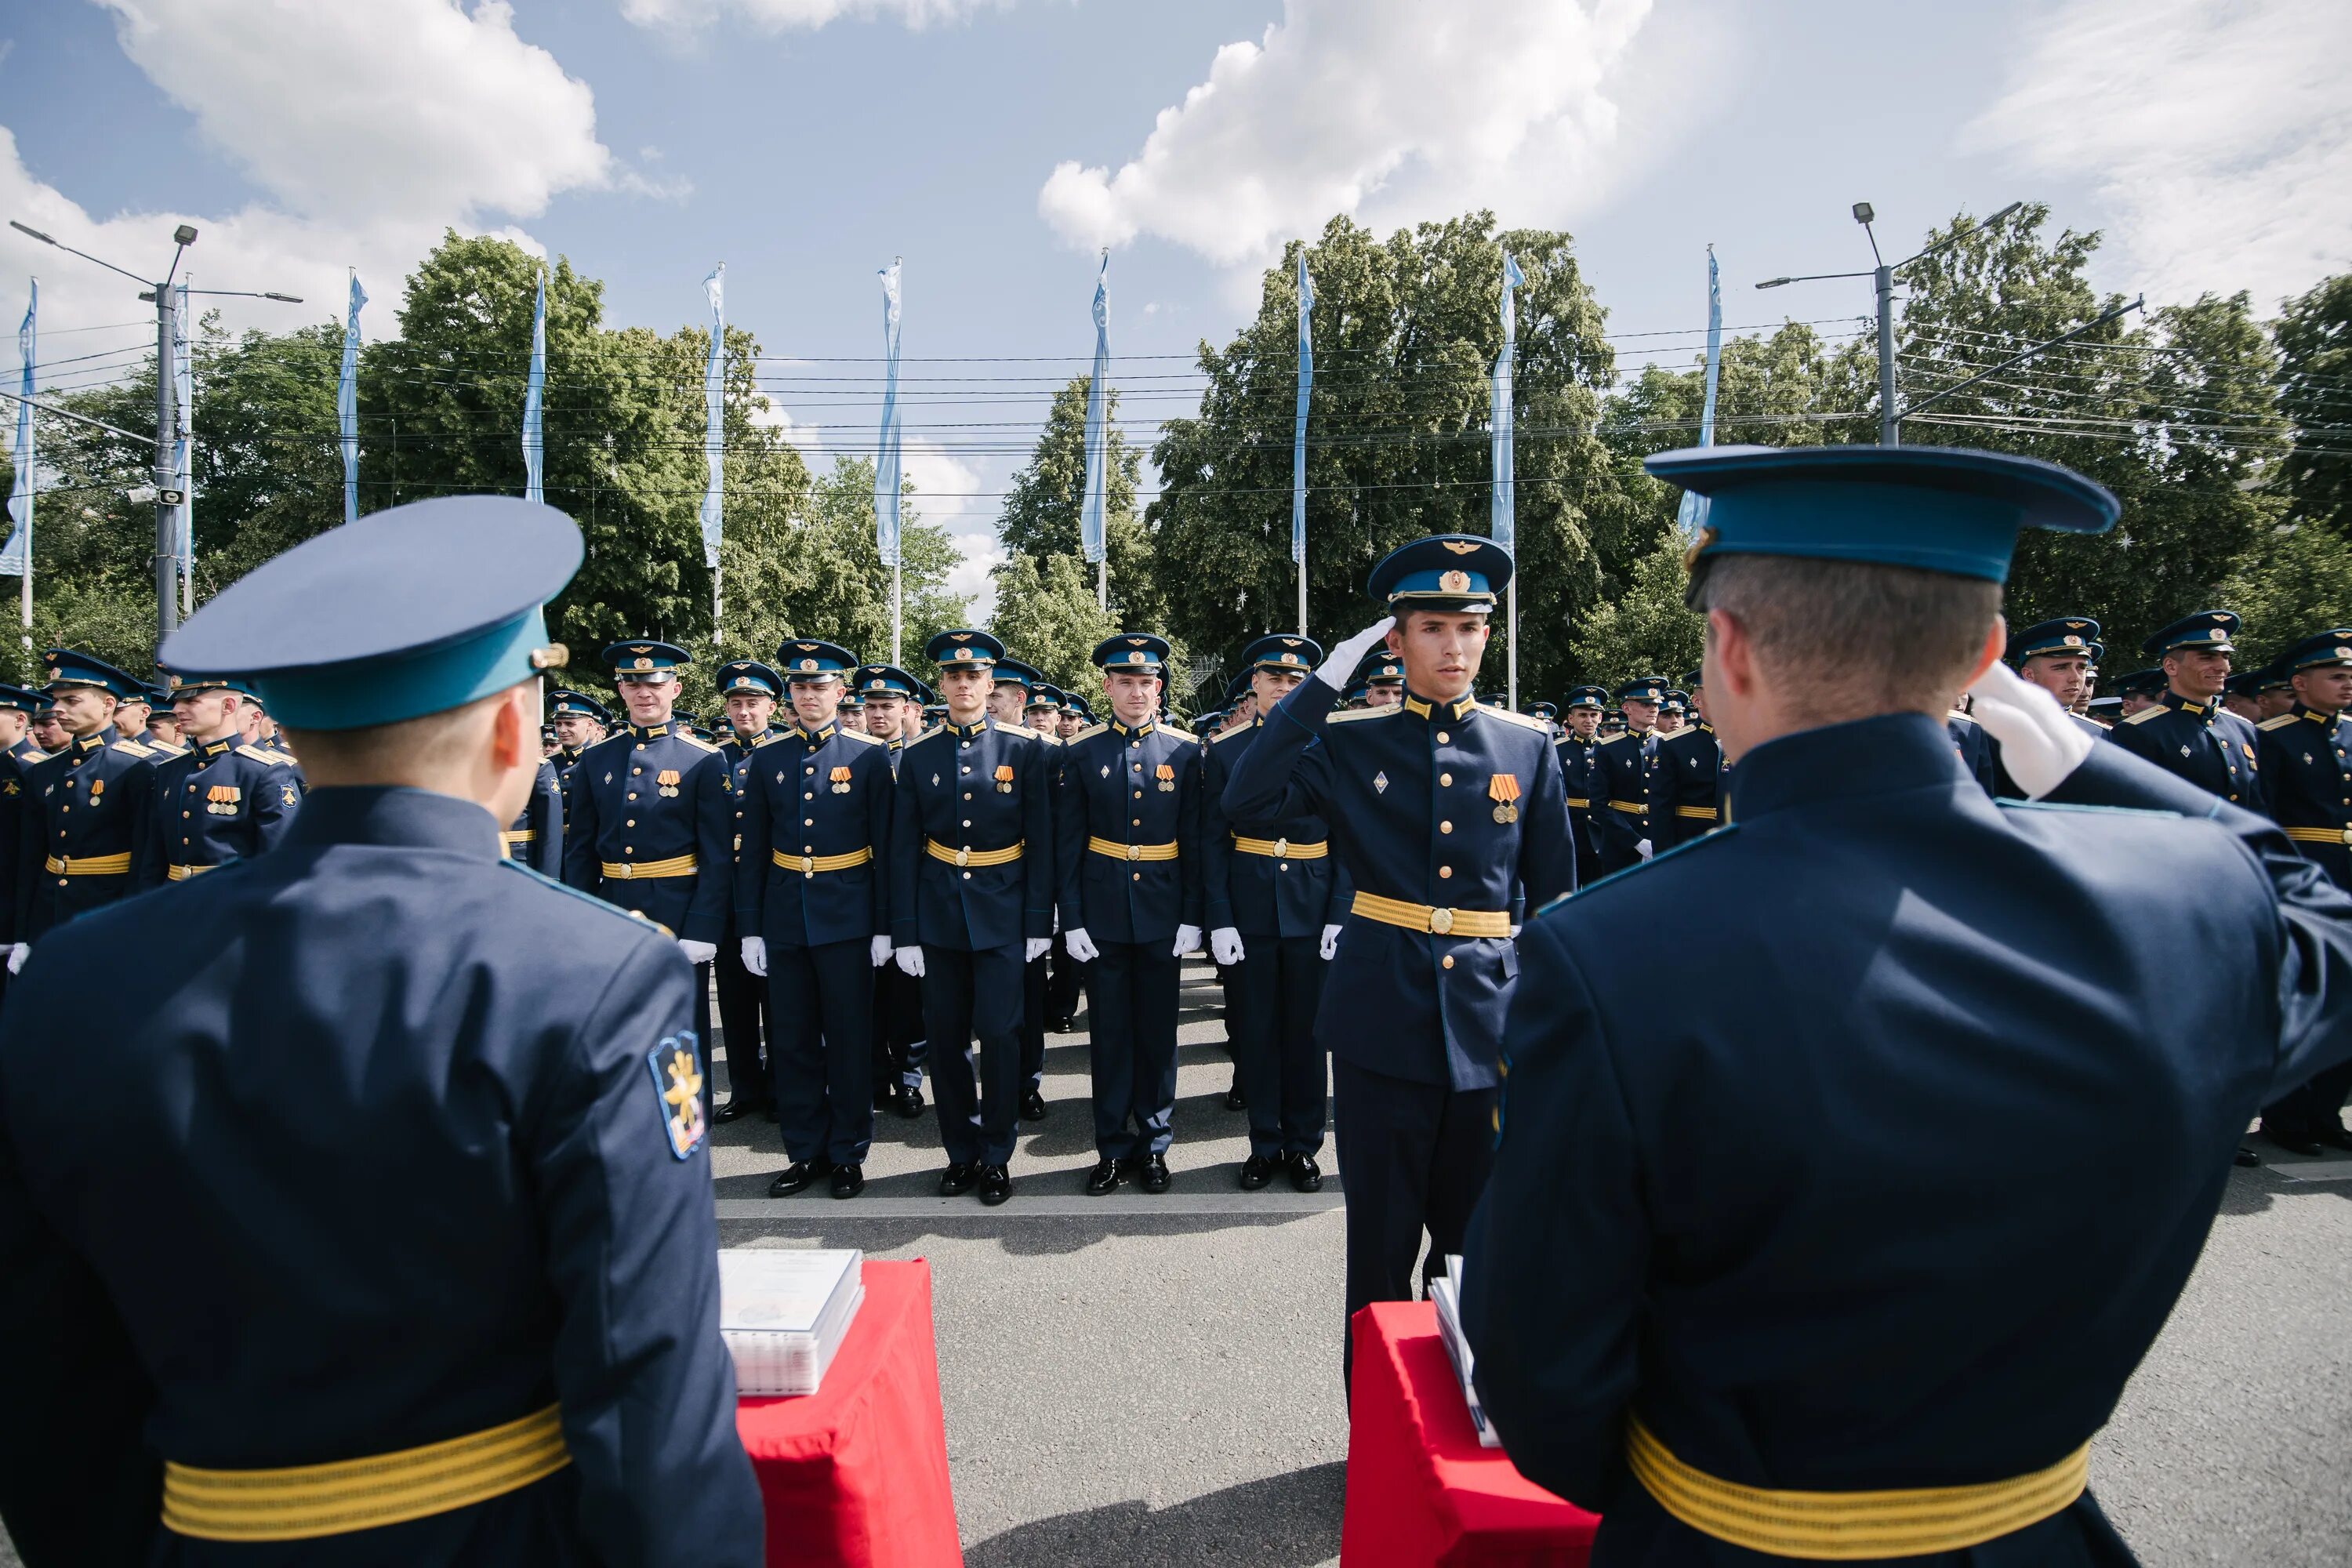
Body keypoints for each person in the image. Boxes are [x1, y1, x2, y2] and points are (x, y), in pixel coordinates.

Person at [1462, 442, 2352, 1566]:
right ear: (1987, 657)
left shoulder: (1609, 956)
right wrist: (2083, 760)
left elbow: (1540, 1364)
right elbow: (2313, 902)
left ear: (1726, 647)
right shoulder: (2192, 906)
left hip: (1733, 1537)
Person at [0, 495, 760, 1567]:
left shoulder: (72, 980)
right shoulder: (588, 974)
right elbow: (650, 1402)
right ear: (513, 726)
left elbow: (48, 1391)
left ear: (290, 727)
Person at [1224, 535, 1573, 1382]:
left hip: (1489, 1028)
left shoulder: (1526, 747)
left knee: (1474, 1250)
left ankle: (1465, 1430)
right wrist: (1316, 689)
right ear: (1396, 640)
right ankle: (1381, 1439)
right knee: (1379, 1258)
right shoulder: (1350, 740)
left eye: (1470, 627)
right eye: (1432, 627)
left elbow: (1557, 903)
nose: (1455, 646)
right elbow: (1246, 796)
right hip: (1383, 1020)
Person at [889, 630, 1053, 1206]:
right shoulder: (920, 754)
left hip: (1005, 911)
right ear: (941, 684)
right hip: (938, 916)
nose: (964, 684)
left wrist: (1038, 922)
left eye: (974, 676)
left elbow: (1043, 843)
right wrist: (904, 930)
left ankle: (998, 1154)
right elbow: (904, 846)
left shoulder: (1024, 749)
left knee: (1002, 1037)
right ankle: (961, 1152)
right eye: (954, 676)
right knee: (947, 1040)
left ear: (991, 684)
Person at [736, 641, 894, 1200]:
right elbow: (752, 850)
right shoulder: (769, 759)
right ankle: (805, 1152)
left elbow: (887, 849)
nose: (809, 696)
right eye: (800, 688)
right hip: (784, 917)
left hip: (849, 916)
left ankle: (849, 1153)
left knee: (849, 1042)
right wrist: (751, 927)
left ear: (839, 693)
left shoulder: (868, 756)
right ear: (790, 696)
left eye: (820, 687)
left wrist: (884, 926)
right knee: (794, 1042)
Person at [561, 639, 731, 1115]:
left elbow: (716, 856)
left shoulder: (702, 759)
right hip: (614, 904)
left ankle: (687, 1124)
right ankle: (629, 1120)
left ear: (674, 688)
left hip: (677, 907)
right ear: (620, 689)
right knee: (616, 1020)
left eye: (653, 683)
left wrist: (702, 927)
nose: (643, 693)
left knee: (682, 1026)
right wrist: (580, 916)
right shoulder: (597, 759)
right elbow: (581, 850)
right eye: (632, 683)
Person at [1057, 634, 1201, 1194]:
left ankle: (1156, 1145)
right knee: (1111, 1037)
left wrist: (1194, 915)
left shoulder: (1186, 752)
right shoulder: (1081, 752)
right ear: (1107, 687)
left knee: (1159, 1038)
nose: (1136, 692)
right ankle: (1113, 1147)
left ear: (1159, 688)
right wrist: (1071, 917)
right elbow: (1068, 841)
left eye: (1146, 683)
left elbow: (1192, 838)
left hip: (1164, 912)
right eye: (1125, 682)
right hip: (1103, 913)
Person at [1203, 635, 1342, 1193]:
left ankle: (1304, 1145)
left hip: (1313, 904)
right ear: (1254, 685)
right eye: (1275, 680)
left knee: (1309, 1036)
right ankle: (1264, 1142)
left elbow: (1352, 839)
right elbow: (1210, 839)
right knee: (1256, 1033)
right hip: (1251, 904)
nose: (1284, 689)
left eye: (1295, 682)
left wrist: (1340, 912)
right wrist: (1220, 917)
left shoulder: (1333, 745)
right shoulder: (1228, 749)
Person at [2252, 628, 2352, 1155]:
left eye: (2350, 676)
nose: (2346, 684)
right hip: (2307, 872)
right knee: (2304, 993)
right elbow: (2266, 815)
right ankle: (2287, 1116)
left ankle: (2326, 1112)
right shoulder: (2275, 737)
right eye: (2335, 676)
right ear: (2300, 682)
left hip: (2348, 874)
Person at [9, 651, 160, 970]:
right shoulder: (43, 771)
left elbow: (147, 858)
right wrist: (24, 932)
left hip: (108, 909)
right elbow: (30, 857)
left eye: (72, 701)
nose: (58, 709)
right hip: (49, 913)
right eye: (56, 701)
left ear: (108, 705)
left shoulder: (139, 767)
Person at [136, 674, 303, 889]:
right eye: (177, 702)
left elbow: (278, 860)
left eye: (191, 701)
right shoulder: (169, 770)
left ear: (228, 705)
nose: (177, 709)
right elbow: (154, 857)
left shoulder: (263, 771)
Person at [710, 659, 785, 1123]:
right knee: (735, 1001)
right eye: (736, 703)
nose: (744, 711)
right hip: (726, 896)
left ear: (770, 706)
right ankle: (744, 1088)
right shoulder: (711, 759)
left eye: (753, 703)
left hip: (771, 893)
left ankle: (779, 1086)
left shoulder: (781, 755)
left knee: (777, 1000)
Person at [856, 664, 930, 1119]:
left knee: (906, 997)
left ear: (907, 709)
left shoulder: (919, 757)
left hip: (910, 891)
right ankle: (873, 1075)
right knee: (865, 995)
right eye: (872, 706)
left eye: (887, 706)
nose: (879, 714)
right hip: (859, 890)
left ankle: (907, 1076)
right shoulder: (855, 757)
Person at [2106, 611, 2263, 809]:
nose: (2223, 667)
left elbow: (2258, 807)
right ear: (2171, 667)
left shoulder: (2243, 729)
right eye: (2207, 658)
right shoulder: (2139, 731)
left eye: (2225, 657)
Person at [1989, 618, 2108, 798]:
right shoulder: (1995, 731)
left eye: (2081, 667)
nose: (2075, 678)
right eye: (2061, 668)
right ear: (2029, 674)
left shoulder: (2099, 733)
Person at [1590, 677, 1664, 877]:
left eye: (1656, 704)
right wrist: (1636, 841)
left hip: (1661, 842)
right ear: (1627, 708)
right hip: (1619, 846)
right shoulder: (1608, 748)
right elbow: (1598, 805)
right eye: (1646, 704)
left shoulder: (1666, 744)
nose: (1654, 709)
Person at [1652, 669, 1722, 851]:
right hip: (1691, 843)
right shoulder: (1674, 744)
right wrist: (1665, 856)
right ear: (1697, 701)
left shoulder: (1746, 738)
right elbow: (1661, 808)